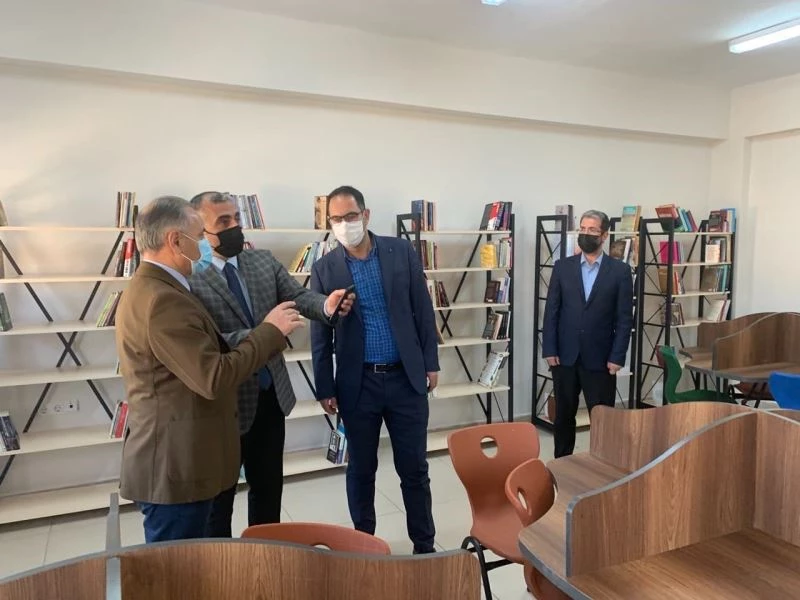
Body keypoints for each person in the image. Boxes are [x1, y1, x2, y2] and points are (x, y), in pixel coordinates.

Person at [115, 196, 305, 543]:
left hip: (184, 456)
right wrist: (270, 331)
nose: (204, 244)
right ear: (175, 240)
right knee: (182, 566)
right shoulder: (163, 299)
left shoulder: (157, 287)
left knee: (198, 558)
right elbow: (214, 377)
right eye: (199, 236)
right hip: (175, 466)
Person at [188, 191, 354, 537]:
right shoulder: (189, 278)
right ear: (198, 229)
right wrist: (266, 331)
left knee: (268, 493)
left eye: (237, 218)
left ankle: (265, 560)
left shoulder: (262, 261)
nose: (235, 227)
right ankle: (222, 566)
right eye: (223, 221)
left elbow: (299, 296)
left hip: (271, 397)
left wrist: (326, 305)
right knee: (218, 502)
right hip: (223, 406)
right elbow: (205, 343)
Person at [310, 185, 439, 554]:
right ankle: (364, 545)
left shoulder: (400, 251)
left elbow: (422, 309)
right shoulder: (324, 269)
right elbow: (320, 333)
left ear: (365, 215)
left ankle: (424, 546)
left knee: (414, 469)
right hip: (358, 384)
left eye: (351, 216)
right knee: (361, 471)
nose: (344, 224)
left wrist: (431, 362)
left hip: (406, 379)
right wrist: (324, 386)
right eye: (336, 219)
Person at [542, 209, 633, 458]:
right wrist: (549, 348)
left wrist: (617, 357)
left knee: (603, 420)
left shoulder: (620, 272)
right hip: (565, 357)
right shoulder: (562, 268)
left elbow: (624, 319)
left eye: (592, 230)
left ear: (604, 235)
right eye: (582, 228)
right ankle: (562, 466)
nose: (586, 233)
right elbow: (551, 311)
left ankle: (603, 466)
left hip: (601, 360)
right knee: (563, 416)